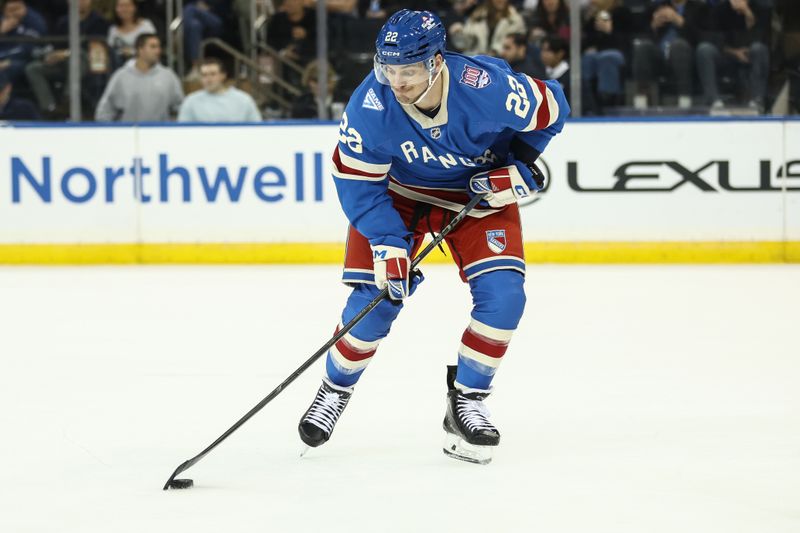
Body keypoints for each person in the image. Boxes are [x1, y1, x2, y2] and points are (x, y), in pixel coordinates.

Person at [297, 9, 569, 465]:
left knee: (505, 297)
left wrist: (520, 163)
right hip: (396, 197)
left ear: (436, 62)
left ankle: (468, 399)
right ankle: (335, 388)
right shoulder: (370, 105)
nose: (396, 82)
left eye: (407, 71)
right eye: (389, 69)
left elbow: (554, 107)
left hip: (474, 193)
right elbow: (357, 182)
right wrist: (387, 243)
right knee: (377, 298)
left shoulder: (488, 88)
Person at [24, 0, 109, 116]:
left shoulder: (99, 21)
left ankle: (68, 100)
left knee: (78, 55)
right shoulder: (63, 22)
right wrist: (53, 55)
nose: (80, 2)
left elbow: (95, 48)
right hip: (64, 63)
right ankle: (50, 107)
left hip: (89, 63)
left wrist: (67, 53)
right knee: (33, 68)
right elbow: (56, 45)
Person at [631, 0, 708, 110]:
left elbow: (702, 38)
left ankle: (684, 99)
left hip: (686, 56)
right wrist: (654, 26)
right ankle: (641, 98)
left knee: (678, 46)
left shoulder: (699, 8)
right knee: (643, 47)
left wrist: (680, 21)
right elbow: (639, 37)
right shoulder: (656, 7)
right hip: (659, 56)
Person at [696, 0, 770, 112]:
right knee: (704, 49)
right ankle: (713, 100)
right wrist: (734, 52)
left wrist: (748, 14)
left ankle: (757, 101)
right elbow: (713, 38)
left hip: (750, 54)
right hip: (726, 54)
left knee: (759, 48)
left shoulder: (762, 8)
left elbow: (762, 38)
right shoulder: (720, 9)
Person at [95, 33, 183, 121]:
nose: (158, 51)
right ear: (140, 49)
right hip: (127, 133)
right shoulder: (120, 77)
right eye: (153, 47)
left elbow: (180, 107)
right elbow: (105, 111)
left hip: (160, 133)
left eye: (159, 47)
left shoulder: (168, 76)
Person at [581, 0, 633, 114]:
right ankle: (589, 103)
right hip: (597, 53)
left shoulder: (622, 13)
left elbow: (628, 41)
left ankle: (609, 102)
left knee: (607, 57)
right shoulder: (591, 18)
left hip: (619, 52)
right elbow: (585, 43)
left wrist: (609, 31)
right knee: (588, 58)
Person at [178, 57, 260, 122]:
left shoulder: (244, 100)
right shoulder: (190, 101)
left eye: (213, 74)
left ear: (223, 75)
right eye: (204, 75)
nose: (208, 79)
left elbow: (257, 130)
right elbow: (182, 132)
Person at [449, 0, 526, 56]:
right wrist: (459, 33)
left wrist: (495, 52)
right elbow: (466, 43)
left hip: (503, 63)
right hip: (476, 60)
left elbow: (516, 47)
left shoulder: (515, 20)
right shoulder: (478, 15)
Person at [0, 0, 43, 85]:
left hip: (24, 59)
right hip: (3, 58)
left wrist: (7, 61)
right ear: (4, 11)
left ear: (24, 7)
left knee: (9, 69)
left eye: (17, 9)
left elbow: (28, 49)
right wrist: (1, 31)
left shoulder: (34, 21)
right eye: (11, 10)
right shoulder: (2, 20)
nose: (15, 13)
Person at [107, 0, 156, 66]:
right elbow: (109, 52)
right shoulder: (113, 30)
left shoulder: (146, 26)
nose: (124, 9)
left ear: (135, 7)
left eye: (127, 6)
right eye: (121, 6)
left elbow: (153, 48)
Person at [540, 34, 570, 104]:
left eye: (548, 51)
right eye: (542, 50)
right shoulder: (539, 72)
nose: (543, 54)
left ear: (560, 53)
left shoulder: (571, 77)